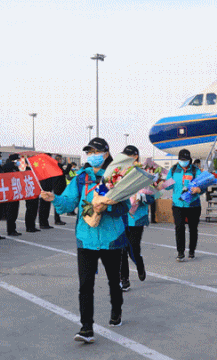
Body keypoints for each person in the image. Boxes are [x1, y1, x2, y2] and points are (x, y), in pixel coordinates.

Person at [40, 137, 127, 343]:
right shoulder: (81, 177)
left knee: (114, 281)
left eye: (95, 152)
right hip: (85, 238)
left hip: (111, 238)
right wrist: (55, 199)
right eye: (88, 152)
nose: (91, 156)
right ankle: (86, 327)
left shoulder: (116, 177)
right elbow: (69, 203)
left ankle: (116, 313)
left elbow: (123, 208)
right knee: (85, 284)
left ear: (105, 154)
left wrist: (108, 206)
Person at [119, 145, 151, 292]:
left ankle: (139, 262)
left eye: (129, 156)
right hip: (122, 217)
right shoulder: (119, 173)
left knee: (133, 248)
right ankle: (124, 279)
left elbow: (153, 196)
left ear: (136, 156)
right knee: (122, 250)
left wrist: (144, 196)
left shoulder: (145, 173)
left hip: (137, 217)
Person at [165, 149, 203, 261]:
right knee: (179, 228)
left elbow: (203, 185)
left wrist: (199, 189)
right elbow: (168, 186)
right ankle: (180, 253)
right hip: (178, 204)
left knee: (193, 229)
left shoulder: (195, 170)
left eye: (186, 160)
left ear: (189, 159)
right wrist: (160, 183)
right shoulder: (173, 170)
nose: (183, 162)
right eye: (181, 160)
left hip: (193, 205)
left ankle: (192, 251)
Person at [2, 153, 22, 236]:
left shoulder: (15, 168)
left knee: (15, 212)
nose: (19, 162)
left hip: (16, 193)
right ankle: (10, 230)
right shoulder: (8, 167)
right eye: (17, 160)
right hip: (10, 193)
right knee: (10, 212)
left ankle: (13, 229)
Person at [24, 161, 41, 233]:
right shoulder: (26, 171)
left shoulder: (34, 171)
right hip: (29, 194)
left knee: (34, 210)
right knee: (30, 210)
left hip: (35, 193)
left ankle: (33, 225)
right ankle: (29, 226)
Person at [52, 155, 68, 225]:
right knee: (57, 204)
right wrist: (69, 164)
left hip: (57, 187)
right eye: (61, 159)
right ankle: (57, 220)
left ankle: (58, 219)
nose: (61, 161)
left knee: (58, 203)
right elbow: (65, 172)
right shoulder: (57, 166)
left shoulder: (56, 166)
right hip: (58, 187)